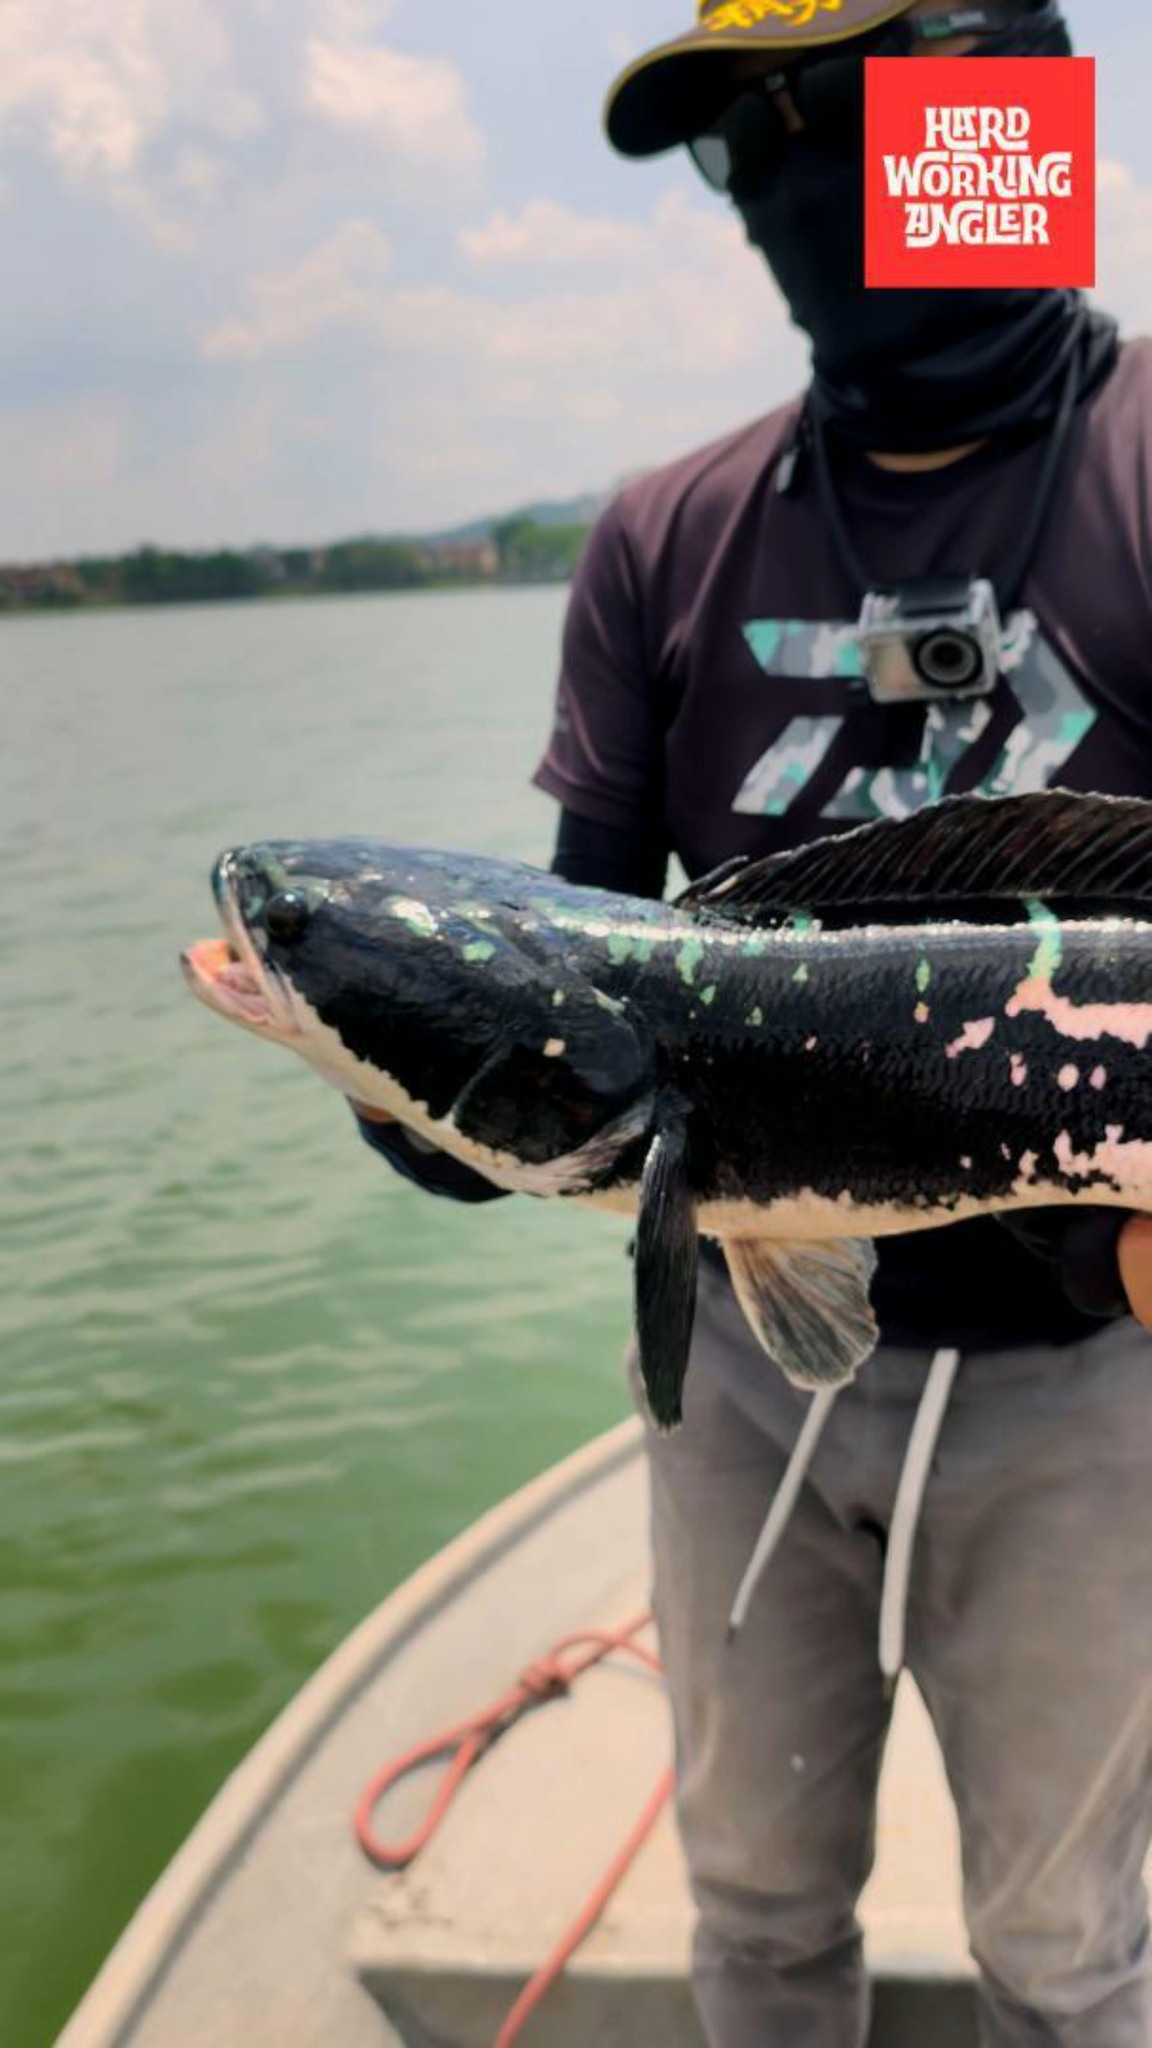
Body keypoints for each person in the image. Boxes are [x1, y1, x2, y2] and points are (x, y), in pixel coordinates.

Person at [353, 2, 1152, 2040]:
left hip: (1094, 1386)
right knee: (759, 1911)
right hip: (742, 1365)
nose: (758, 201)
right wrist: (423, 1084)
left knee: (1068, 1950)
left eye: (786, 127)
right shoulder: (667, 533)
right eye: (730, 152)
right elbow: (580, 958)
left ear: (984, 96)